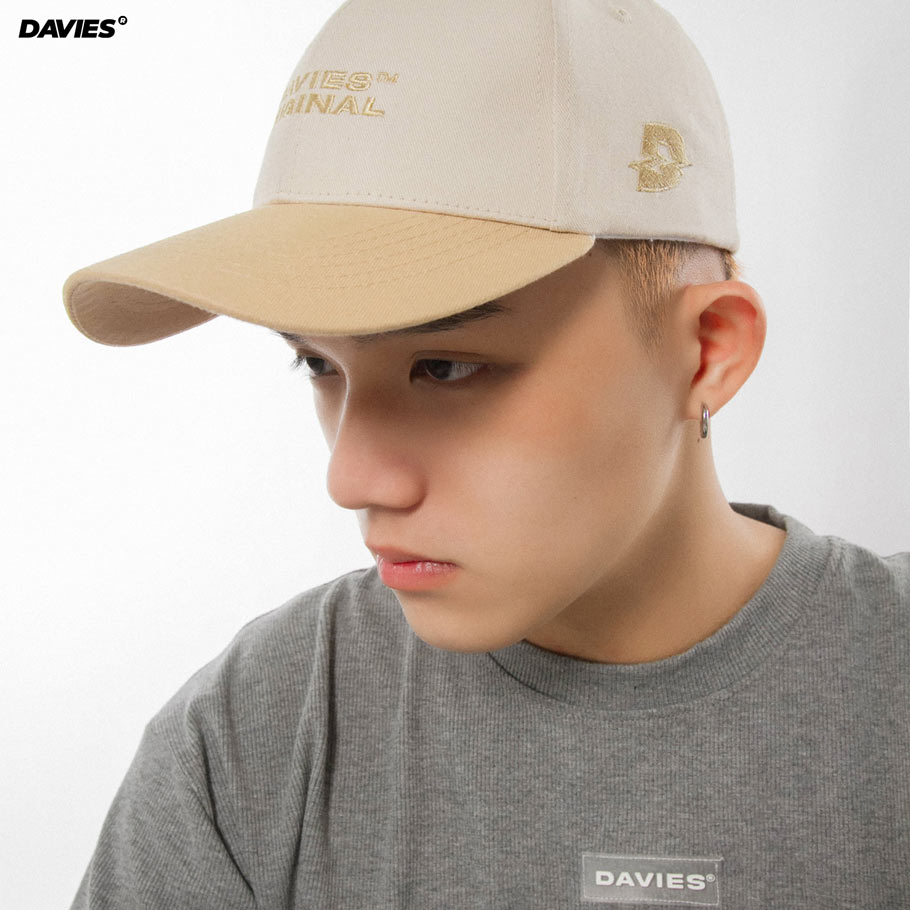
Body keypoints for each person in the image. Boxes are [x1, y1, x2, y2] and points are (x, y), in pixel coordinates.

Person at [61, 0, 909, 906]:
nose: (352, 478)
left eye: (447, 366)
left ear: (707, 352)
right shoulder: (251, 735)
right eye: (317, 363)